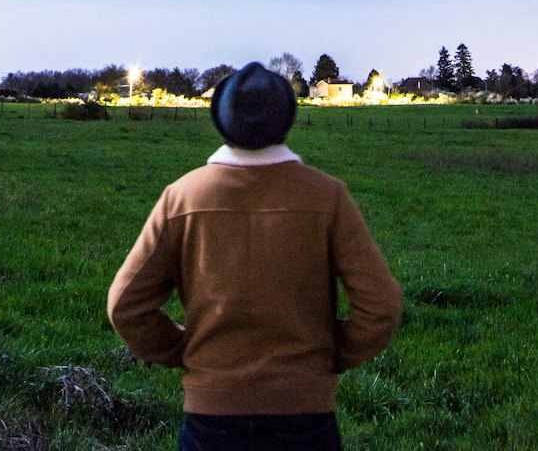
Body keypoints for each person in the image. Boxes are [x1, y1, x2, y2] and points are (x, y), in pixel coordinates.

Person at [107, 61, 403, 451]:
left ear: (221, 120)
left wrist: (187, 353)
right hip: (305, 416)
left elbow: (126, 306)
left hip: (211, 416)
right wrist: (328, 356)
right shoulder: (327, 196)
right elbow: (381, 306)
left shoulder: (182, 197)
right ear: (287, 119)